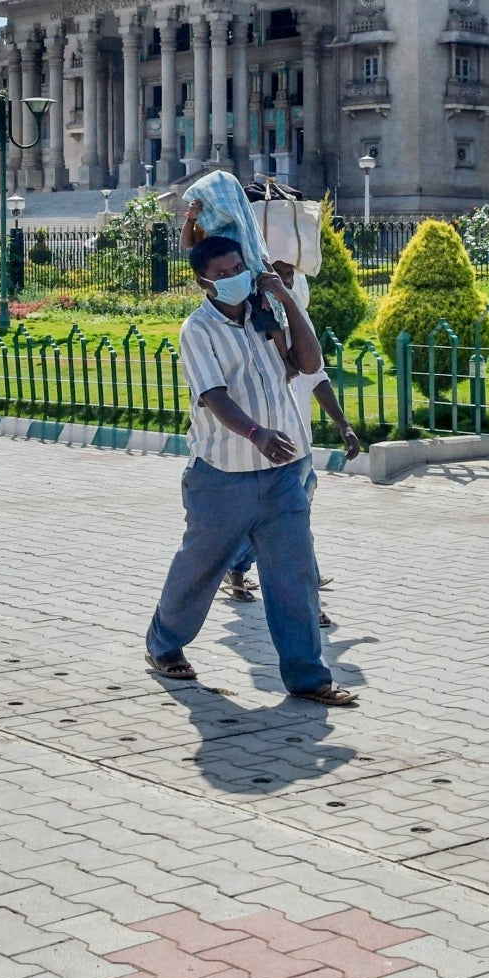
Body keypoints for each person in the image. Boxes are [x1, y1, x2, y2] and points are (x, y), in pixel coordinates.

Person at [143, 235, 357, 707]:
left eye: (238, 267)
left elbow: (310, 363)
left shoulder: (266, 318)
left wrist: (285, 299)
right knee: (201, 567)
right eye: (221, 273)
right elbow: (213, 395)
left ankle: (308, 677)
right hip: (222, 474)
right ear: (204, 282)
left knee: (294, 574)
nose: (233, 276)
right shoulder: (198, 330)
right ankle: (163, 643)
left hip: (282, 475)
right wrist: (256, 432)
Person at [222, 255, 362, 623]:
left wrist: (344, 425)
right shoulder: (257, 327)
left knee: (294, 519)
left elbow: (316, 376)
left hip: (299, 447)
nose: (283, 280)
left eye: (289, 275)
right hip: (267, 448)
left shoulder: (297, 321)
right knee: (284, 523)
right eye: (277, 273)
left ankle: (297, 585)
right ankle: (302, 596)